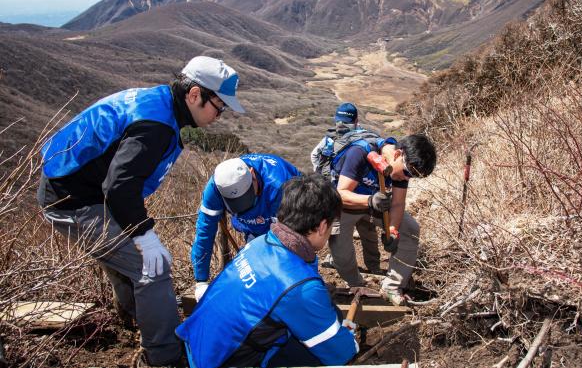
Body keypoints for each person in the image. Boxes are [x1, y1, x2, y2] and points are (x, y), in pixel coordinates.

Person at [37, 56, 244, 367]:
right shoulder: (155, 127)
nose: (221, 114)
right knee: (152, 268)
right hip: (73, 201)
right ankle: (165, 357)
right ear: (194, 94)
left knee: (127, 259)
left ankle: (137, 318)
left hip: (77, 190)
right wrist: (144, 236)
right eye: (219, 105)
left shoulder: (158, 102)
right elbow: (119, 188)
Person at [177, 174, 359, 368]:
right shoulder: (299, 286)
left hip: (197, 344)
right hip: (221, 362)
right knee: (325, 352)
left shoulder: (260, 243)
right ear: (323, 226)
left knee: (322, 320)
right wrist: (349, 340)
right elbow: (340, 354)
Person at [328, 133, 436, 306]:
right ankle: (355, 284)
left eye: (412, 177)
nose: (407, 178)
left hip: (377, 205)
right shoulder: (359, 153)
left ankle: (392, 286)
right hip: (345, 205)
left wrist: (392, 230)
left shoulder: (401, 170)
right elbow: (340, 195)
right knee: (341, 250)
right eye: (407, 173)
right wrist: (369, 200)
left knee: (410, 229)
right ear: (397, 154)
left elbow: (398, 204)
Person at [191, 154, 301, 301]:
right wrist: (201, 281)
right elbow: (205, 231)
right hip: (252, 228)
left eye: (247, 198)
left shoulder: (280, 184)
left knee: (286, 270)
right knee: (256, 271)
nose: (244, 206)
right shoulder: (216, 187)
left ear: (252, 175)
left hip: (289, 217)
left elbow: (296, 234)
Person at [310, 102, 364, 174]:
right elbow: (314, 155)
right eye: (339, 121)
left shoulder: (364, 138)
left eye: (346, 122)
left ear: (356, 121)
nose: (341, 124)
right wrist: (320, 172)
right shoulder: (330, 138)